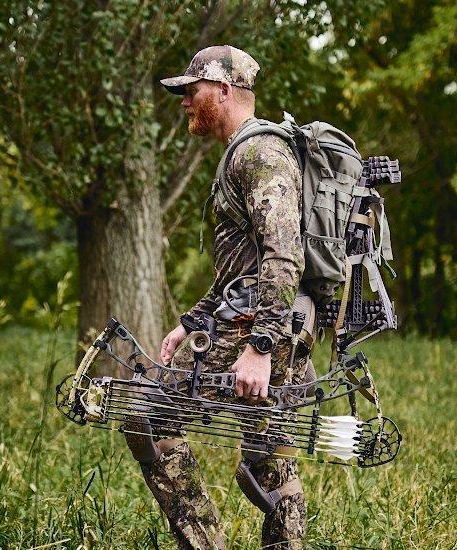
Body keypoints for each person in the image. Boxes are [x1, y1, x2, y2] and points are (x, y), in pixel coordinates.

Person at [133, 45, 309, 549]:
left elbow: (283, 256)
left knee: (148, 417)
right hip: (272, 319)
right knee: (267, 454)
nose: (184, 101)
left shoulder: (259, 153)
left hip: (259, 326)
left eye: (193, 90)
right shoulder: (245, 152)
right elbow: (241, 267)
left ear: (225, 90)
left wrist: (260, 349)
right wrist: (193, 321)